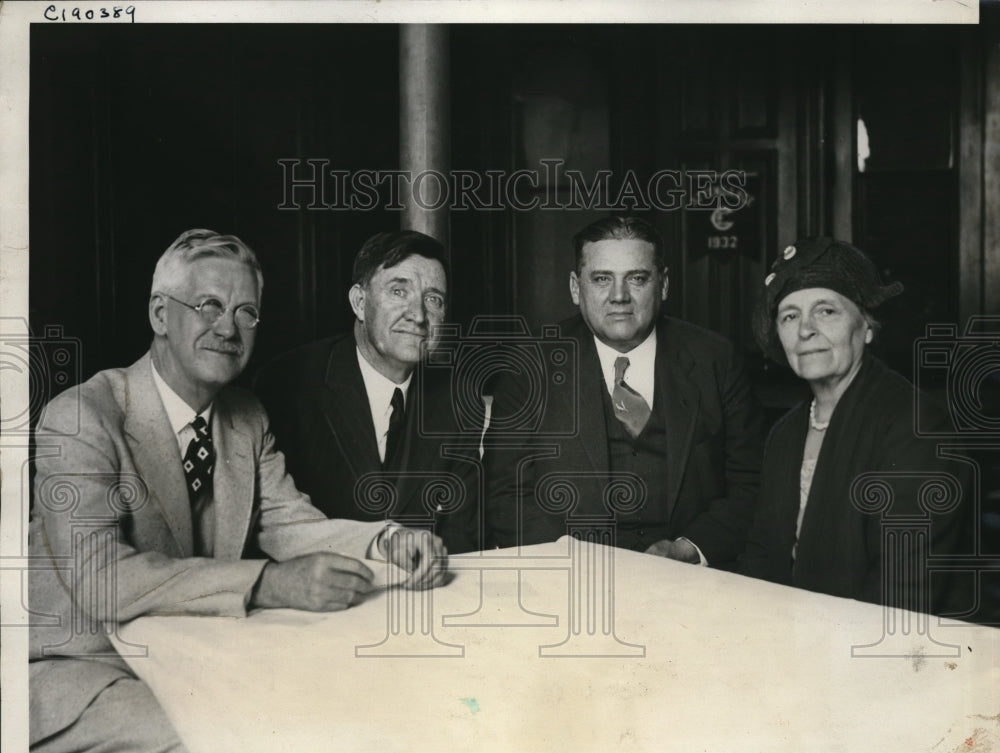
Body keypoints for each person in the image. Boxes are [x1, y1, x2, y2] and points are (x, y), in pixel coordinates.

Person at [28, 229, 448, 753]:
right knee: (211, 752)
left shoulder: (245, 417)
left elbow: (289, 523)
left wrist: (387, 540)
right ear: (160, 313)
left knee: (337, 722)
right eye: (208, 306)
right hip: (75, 666)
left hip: (190, 654)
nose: (228, 328)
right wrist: (268, 583)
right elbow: (100, 579)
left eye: (246, 312)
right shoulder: (81, 415)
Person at [485, 216, 765, 569]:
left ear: (663, 285)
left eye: (637, 278)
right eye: (602, 279)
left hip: (692, 583)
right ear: (575, 288)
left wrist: (690, 549)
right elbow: (505, 493)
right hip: (570, 582)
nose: (619, 296)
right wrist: (568, 559)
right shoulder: (529, 367)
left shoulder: (715, 360)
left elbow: (751, 483)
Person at [740, 236, 968, 612]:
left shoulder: (915, 426)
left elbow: (902, 596)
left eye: (826, 311)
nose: (805, 330)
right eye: (790, 315)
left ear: (867, 327)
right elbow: (762, 557)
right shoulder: (785, 432)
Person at [254, 230, 480, 554]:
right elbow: (273, 527)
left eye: (433, 299)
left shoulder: (458, 398)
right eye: (399, 291)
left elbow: (461, 537)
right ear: (360, 303)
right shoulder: (288, 385)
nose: (418, 315)